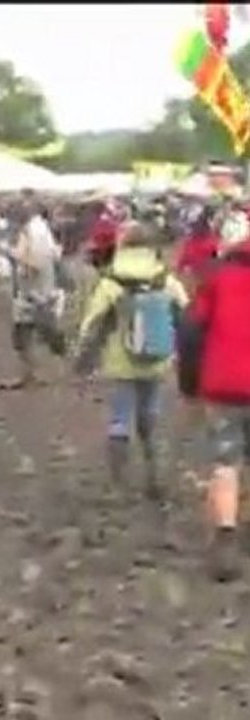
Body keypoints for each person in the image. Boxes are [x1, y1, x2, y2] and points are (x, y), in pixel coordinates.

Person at [75, 221, 188, 498]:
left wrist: (82, 357)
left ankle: (118, 485)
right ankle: (155, 476)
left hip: (120, 360)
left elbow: (92, 323)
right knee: (150, 416)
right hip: (158, 359)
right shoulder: (165, 278)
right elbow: (186, 313)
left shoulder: (111, 281)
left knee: (119, 419)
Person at [185, 219, 250, 581]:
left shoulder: (219, 279)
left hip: (223, 384)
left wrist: (190, 384)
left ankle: (226, 533)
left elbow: (192, 330)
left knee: (225, 461)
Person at [1, 200, 67, 390]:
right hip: (39, 289)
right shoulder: (40, 229)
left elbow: (35, 262)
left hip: (33, 291)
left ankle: (37, 374)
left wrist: (10, 253)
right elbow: (54, 255)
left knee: (29, 333)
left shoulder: (33, 230)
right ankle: (33, 374)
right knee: (30, 332)